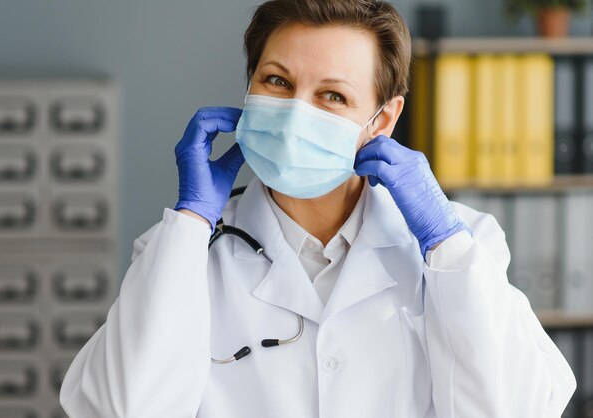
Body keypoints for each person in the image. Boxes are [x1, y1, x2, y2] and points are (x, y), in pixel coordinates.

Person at [59, 0, 576, 417]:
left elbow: (518, 408)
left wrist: (445, 245)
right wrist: (191, 222)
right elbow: (118, 409)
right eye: (277, 82)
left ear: (381, 120)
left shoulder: (464, 247)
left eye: (332, 96)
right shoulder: (182, 254)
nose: (292, 116)